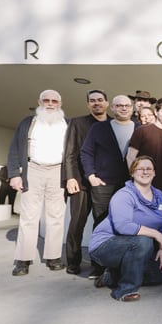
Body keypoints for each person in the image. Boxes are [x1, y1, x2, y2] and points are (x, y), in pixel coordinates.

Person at [88, 156, 162, 302]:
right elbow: (122, 226)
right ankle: (125, 290)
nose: (145, 172)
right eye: (140, 169)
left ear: (154, 173)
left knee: (160, 275)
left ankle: (111, 276)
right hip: (105, 245)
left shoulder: (159, 195)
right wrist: (155, 234)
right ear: (132, 173)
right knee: (143, 242)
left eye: (149, 169)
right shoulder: (124, 195)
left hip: (134, 244)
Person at [8, 90, 68, 276]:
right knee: (28, 216)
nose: (50, 104)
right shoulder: (28, 122)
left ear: (60, 103)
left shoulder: (67, 124)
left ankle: (53, 257)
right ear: (39, 102)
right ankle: (23, 260)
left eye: (54, 101)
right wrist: (14, 174)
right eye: (46, 100)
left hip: (58, 171)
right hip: (32, 169)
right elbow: (14, 149)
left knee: (56, 216)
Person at [62, 89, 109, 275]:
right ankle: (73, 262)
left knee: (102, 224)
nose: (97, 103)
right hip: (80, 182)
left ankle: (99, 264)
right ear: (88, 104)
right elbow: (70, 152)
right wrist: (70, 177)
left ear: (106, 103)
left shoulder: (113, 123)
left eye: (100, 100)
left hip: (104, 184)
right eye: (92, 100)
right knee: (77, 223)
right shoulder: (77, 123)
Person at [80, 95, 138, 230]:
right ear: (112, 107)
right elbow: (86, 152)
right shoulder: (99, 128)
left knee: (127, 221)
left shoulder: (140, 129)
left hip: (130, 184)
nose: (124, 108)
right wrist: (91, 176)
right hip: (103, 184)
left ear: (132, 108)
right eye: (119, 105)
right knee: (102, 222)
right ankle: (100, 244)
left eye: (127, 105)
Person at [127, 97, 162, 214]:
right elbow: (130, 157)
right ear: (156, 112)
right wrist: (134, 179)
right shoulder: (142, 131)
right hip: (145, 186)